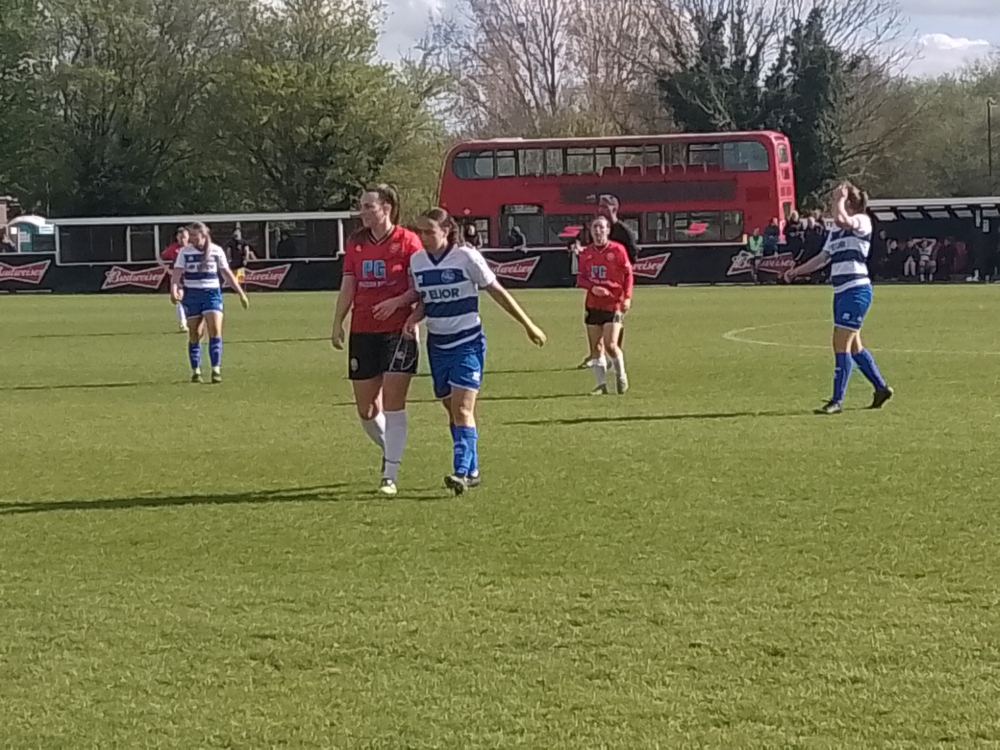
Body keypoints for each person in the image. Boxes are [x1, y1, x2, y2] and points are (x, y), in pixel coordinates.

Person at [405, 207, 546, 495]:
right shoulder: (417, 262)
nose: (424, 237)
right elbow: (426, 301)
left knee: (462, 409)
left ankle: (460, 472)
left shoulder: (466, 257)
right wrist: (413, 318)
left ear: (446, 231)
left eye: (429, 231)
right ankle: (472, 469)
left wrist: (528, 324)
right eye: (420, 231)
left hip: (467, 342)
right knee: (451, 410)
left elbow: (497, 291)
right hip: (437, 345)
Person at [331, 185, 421, 497]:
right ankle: (390, 449)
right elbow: (349, 284)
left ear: (387, 207)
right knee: (367, 409)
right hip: (363, 331)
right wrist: (338, 321)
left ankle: (389, 474)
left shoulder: (408, 241)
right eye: (362, 206)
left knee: (394, 404)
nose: (363, 212)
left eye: (369, 206)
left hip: (399, 332)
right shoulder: (356, 242)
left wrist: (397, 303)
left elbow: (418, 288)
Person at [784, 183, 893, 414]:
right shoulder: (836, 229)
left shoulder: (862, 220)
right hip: (841, 291)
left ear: (849, 203)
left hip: (856, 289)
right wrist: (796, 271)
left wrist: (839, 200)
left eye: (837, 201)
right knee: (854, 346)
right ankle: (881, 388)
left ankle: (837, 400)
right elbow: (823, 258)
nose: (832, 206)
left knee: (840, 343)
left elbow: (843, 220)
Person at [170, 222, 249, 384]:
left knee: (215, 330)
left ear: (203, 235)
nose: (190, 239)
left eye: (194, 235)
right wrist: (173, 290)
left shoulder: (216, 250)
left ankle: (216, 369)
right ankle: (196, 370)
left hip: (212, 294)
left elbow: (226, 273)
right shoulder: (185, 252)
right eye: (190, 235)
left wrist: (241, 293)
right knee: (195, 334)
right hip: (192, 295)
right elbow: (177, 274)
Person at [576, 215, 633, 395]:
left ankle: (621, 375)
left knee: (610, 344)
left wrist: (627, 297)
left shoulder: (618, 250)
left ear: (608, 230)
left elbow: (628, 274)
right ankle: (601, 385)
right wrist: (592, 288)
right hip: (593, 304)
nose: (598, 231)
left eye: (601, 227)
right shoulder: (586, 253)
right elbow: (580, 279)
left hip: (613, 303)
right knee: (596, 347)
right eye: (595, 227)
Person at [161, 227, 190, 332]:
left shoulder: (192, 248)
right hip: (178, 277)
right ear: (177, 237)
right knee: (179, 299)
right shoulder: (173, 248)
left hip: (191, 277)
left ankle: (191, 320)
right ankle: (182, 323)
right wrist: (167, 270)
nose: (183, 239)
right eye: (180, 237)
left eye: (184, 237)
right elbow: (160, 258)